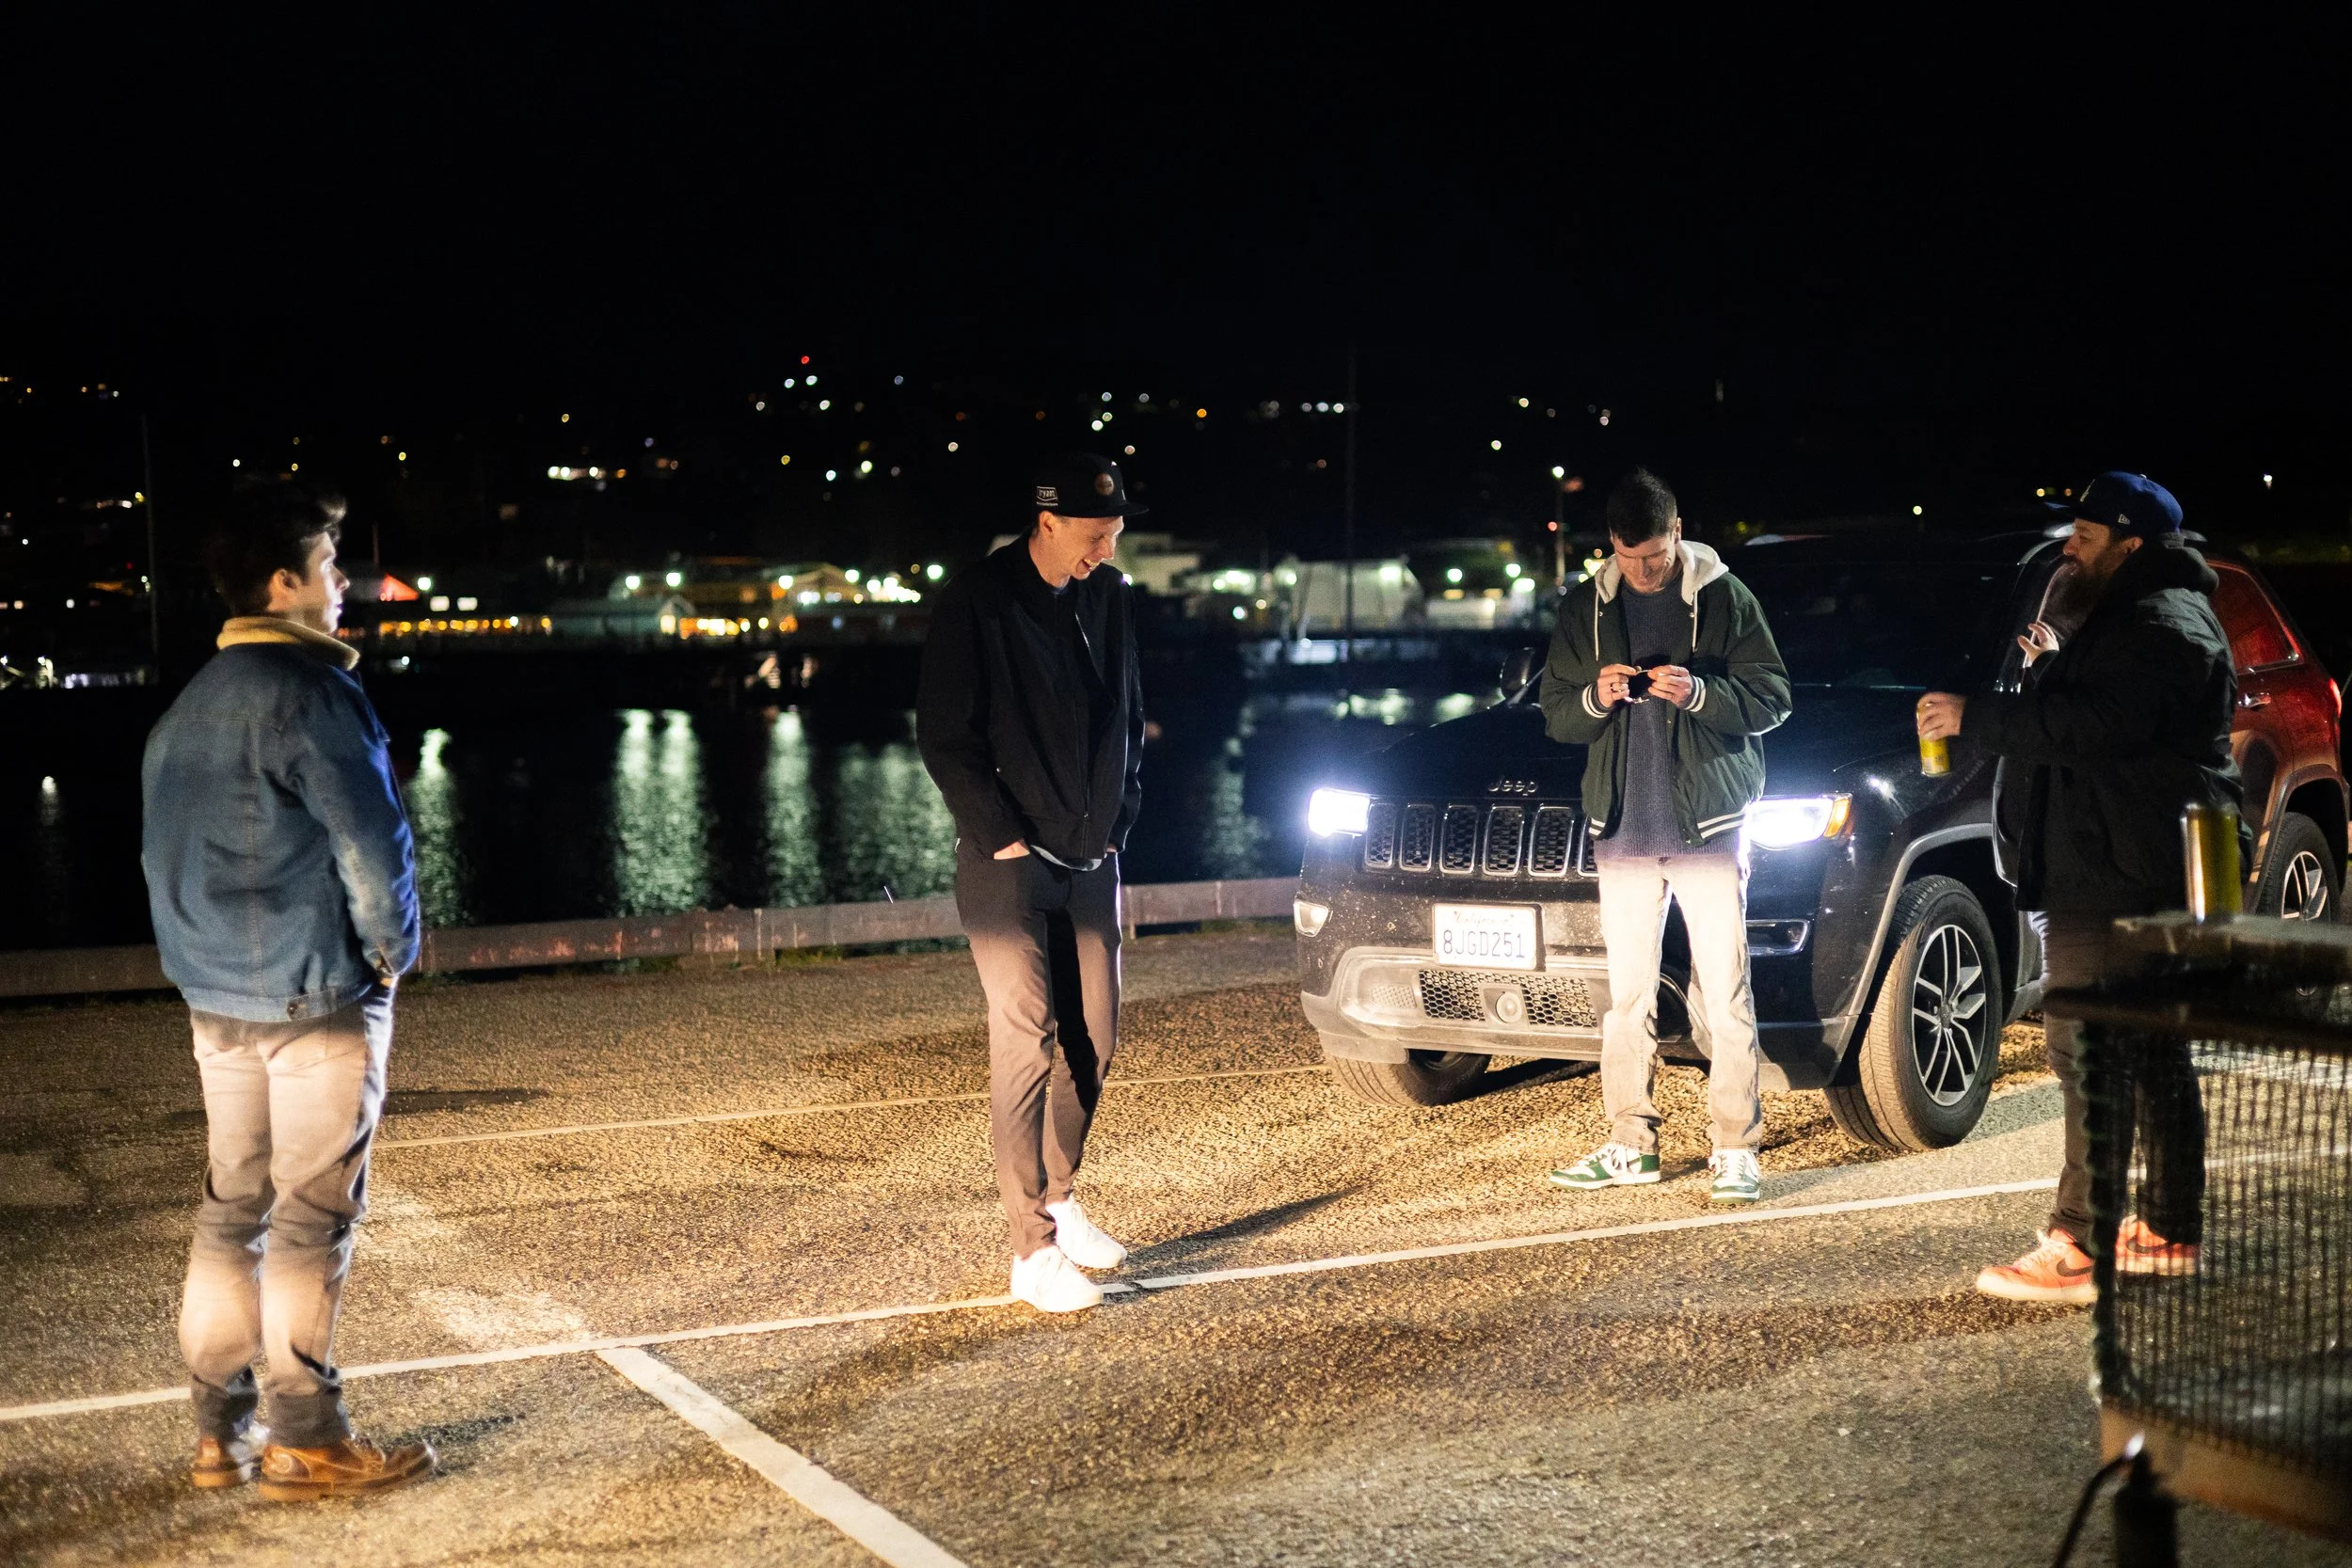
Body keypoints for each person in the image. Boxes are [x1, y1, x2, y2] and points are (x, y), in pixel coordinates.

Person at [141, 485, 434, 1498]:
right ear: (283, 583)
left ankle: (215, 1434)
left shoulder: (187, 705)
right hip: (316, 996)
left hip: (216, 1000)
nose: (342, 581)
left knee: (232, 1210)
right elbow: (372, 841)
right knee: (311, 1218)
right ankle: (305, 1434)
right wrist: (392, 951)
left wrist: (197, 971)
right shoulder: (314, 695)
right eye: (328, 563)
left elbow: (161, 860)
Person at [1917, 472, 2238, 1305]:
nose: (2070, 547)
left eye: (2088, 538)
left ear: (2131, 547)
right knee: (2151, 1048)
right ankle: (2168, 1228)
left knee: (2090, 1049)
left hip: (2119, 870)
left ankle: (2080, 1244)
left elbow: (2099, 727)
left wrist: (1976, 717)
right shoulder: (2129, 614)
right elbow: (2101, 710)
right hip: (2120, 858)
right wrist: (2055, 658)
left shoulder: (2161, 622)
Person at [916, 454, 1147, 1313]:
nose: (1105, 551)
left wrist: (1121, 818)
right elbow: (944, 733)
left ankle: (1060, 1196)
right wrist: (1002, 835)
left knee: (1096, 1036)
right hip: (1007, 863)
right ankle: (1031, 1250)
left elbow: (1130, 713)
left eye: (1114, 535)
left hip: (1091, 857)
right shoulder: (978, 598)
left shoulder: (1110, 595)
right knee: (1027, 1036)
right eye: (1094, 536)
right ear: (1047, 522)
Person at [1541, 469, 1793, 1203]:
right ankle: (1631, 1142)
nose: (1644, 571)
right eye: (1629, 558)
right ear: (1611, 545)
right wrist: (1597, 696)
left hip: (1707, 826)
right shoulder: (1585, 606)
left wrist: (1701, 692)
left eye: (1654, 556)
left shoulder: (1725, 597)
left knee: (1725, 994)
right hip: (1623, 827)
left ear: (1678, 531)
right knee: (1626, 1000)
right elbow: (1557, 713)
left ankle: (1735, 1147)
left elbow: (1774, 697)